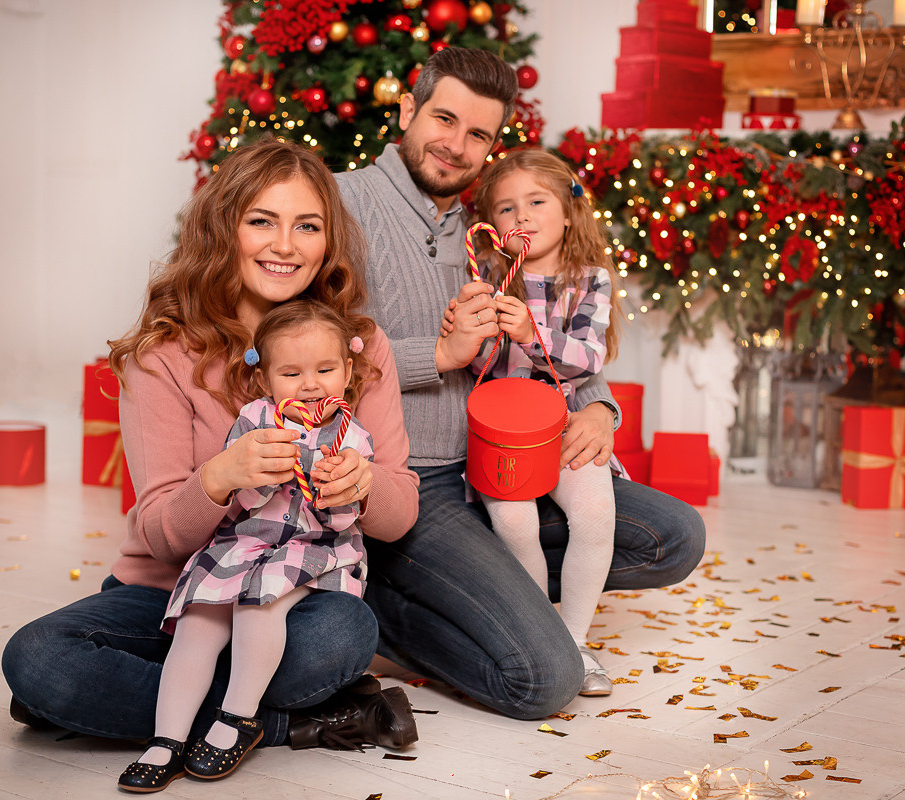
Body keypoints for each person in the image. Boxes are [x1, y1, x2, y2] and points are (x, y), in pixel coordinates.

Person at [2, 139, 420, 777]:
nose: (285, 245)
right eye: (262, 221)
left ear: (328, 241)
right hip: (176, 595)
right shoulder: (162, 355)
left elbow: (399, 514)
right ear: (225, 228)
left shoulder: (356, 349)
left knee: (344, 634)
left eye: (307, 225)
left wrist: (362, 486)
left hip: (289, 595)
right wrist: (220, 478)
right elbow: (159, 536)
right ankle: (295, 722)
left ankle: (130, 706)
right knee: (38, 661)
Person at [335, 47, 707, 720]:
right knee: (542, 679)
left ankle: (475, 586)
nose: (455, 145)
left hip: (511, 452)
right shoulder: (341, 203)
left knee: (673, 536)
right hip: (420, 480)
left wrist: (599, 407)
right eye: (443, 119)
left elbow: (553, 333)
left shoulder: (489, 226)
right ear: (406, 109)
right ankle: (379, 608)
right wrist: (439, 352)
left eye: (477, 134)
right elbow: (310, 353)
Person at [118, 298, 411, 791]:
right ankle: (166, 739)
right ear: (264, 378)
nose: (311, 383)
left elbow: (341, 520)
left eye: (325, 369)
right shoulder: (255, 420)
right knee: (197, 621)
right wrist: (243, 471)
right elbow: (242, 506)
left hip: (314, 545)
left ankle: (237, 717)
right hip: (247, 540)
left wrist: (343, 487)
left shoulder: (351, 437)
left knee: (259, 604)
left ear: (347, 371)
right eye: (291, 373)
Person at [440, 149, 624, 698]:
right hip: (502, 435)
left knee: (595, 515)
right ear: (491, 225)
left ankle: (573, 640)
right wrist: (469, 331)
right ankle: (541, 626)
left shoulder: (590, 281)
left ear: (568, 212)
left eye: (536, 201)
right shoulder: (489, 278)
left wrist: (529, 331)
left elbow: (585, 361)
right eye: (505, 208)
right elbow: (476, 370)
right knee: (514, 523)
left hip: (564, 426)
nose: (520, 216)